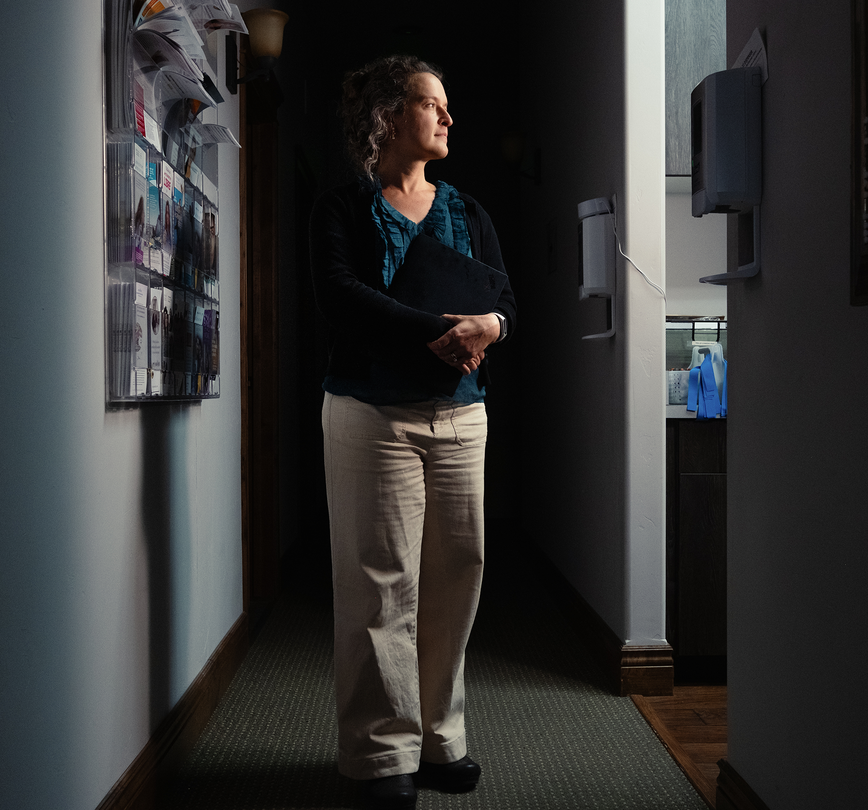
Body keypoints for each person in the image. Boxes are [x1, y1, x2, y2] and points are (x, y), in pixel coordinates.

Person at [309, 55, 516, 810]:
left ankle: (438, 738)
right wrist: (434, 331)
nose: (448, 119)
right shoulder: (341, 209)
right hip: (372, 415)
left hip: (462, 415)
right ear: (391, 117)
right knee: (380, 582)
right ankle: (380, 753)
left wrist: (487, 328)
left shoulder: (470, 213)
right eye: (434, 105)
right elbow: (340, 296)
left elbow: (506, 303)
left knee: (458, 573)